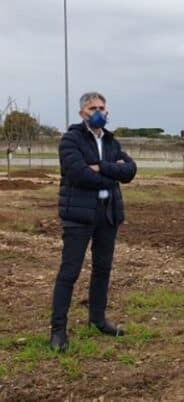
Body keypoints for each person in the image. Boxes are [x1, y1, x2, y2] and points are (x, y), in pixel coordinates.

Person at [50, 92, 137, 352]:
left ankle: (97, 319)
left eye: (102, 107)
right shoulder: (70, 140)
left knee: (102, 268)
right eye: (92, 108)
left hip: (107, 213)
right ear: (82, 113)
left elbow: (130, 170)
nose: (98, 112)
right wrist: (113, 172)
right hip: (79, 215)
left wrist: (100, 166)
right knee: (70, 272)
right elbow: (78, 174)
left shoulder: (111, 141)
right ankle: (57, 330)